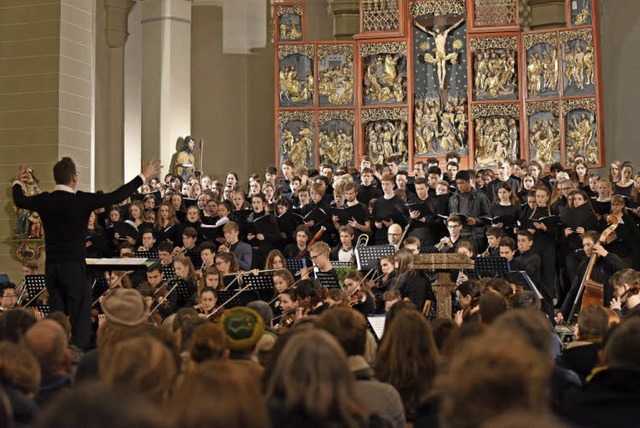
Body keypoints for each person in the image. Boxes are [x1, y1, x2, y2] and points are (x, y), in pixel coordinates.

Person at [12, 158, 161, 350]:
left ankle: (55, 352)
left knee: (56, 314)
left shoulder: (45, 200)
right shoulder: (81, 200)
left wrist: (17, 182)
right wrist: (143, 176)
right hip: (74, 267)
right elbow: (115, 196)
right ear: (74, 177)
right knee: (80, 315)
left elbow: (19, 200)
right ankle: (79, 358)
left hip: (52, 267)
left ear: (55, 178)